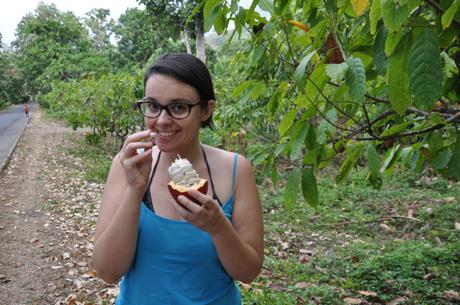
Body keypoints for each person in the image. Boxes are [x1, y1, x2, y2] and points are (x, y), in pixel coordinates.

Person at [92, 53, 264, 304]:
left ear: (206, 110)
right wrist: (135, 189)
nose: (161, 120)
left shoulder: (236, 169)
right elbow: (107, 272)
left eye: (178, 107)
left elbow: (248, 272)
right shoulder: (127, 165)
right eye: (152, 106)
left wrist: (218, 227)